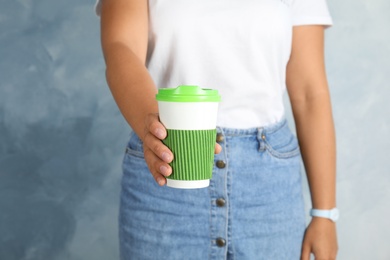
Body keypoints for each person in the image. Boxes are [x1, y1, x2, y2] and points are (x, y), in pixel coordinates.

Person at [96, 0, 338, 259]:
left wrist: (325, 213)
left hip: (268, 188)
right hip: (165, 169)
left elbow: (310, 93)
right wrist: (154, 127)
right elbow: (121, 48)